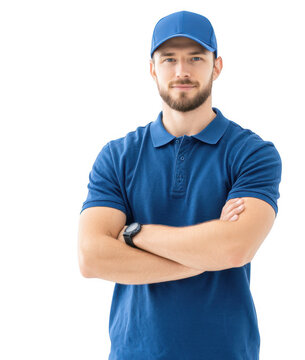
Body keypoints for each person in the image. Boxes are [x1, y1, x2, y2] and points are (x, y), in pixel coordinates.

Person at [78, 10, 282, 360]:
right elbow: (92, 257)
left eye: (195, 59)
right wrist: (202, 258)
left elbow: (234, 249)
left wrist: (133, 233)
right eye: (169, 59)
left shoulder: (252, 154)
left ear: (216, 67)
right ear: (153, 68)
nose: (181, 71)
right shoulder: (118, 156)